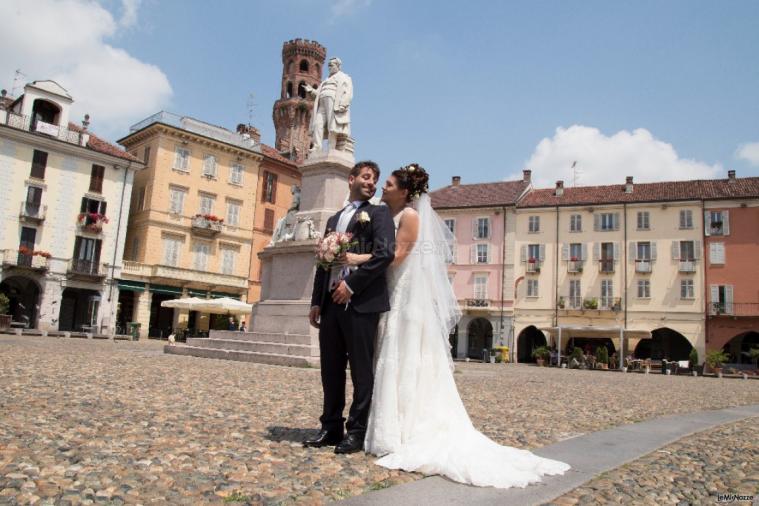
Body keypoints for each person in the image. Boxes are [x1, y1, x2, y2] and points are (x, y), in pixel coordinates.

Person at [345, 163, 570, 488]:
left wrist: (357, 260)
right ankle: (386, 425)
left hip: (405, 293)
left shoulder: (410, 217)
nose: (384, 187)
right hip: (388, 291)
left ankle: (405, 429)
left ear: (405, 191)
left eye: (390, 183)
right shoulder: (382, 214)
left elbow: (397, 256)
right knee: (389, 358)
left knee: (405, 356)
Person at [303, 160, 395, 454]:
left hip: (361, 304)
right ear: (351, 178)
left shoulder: (379, 214)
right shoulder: (333, 219)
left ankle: (355, 432)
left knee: (361, 371)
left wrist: (352, 285)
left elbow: (384, 255)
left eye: (375, 180)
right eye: (366, 177)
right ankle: (330, 427)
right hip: (330, 304)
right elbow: (323, 262)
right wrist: (317, 300)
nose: (371, 183)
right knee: (330, 368)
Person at [304, 57, 353, 153]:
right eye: (328, 65)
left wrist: (343, 104)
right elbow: (317, 93)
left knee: (332, 125)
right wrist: (311, 90)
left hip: (334, 101)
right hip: (321, 102)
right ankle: (317, 147)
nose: (329, 67)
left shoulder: (345, 77)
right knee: (317, 124)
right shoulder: (325, 80)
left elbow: (348, 92)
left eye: (331, 65)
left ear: (338, 66)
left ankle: (331, 147)